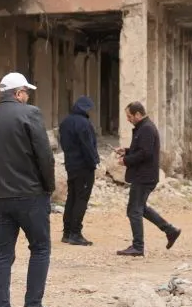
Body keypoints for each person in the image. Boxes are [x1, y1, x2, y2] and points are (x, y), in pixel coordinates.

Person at [0, 73, 55, 307]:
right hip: (29, 194)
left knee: (2, 253)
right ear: (19, 93)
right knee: (40, 247)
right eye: (26, 93)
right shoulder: (29, 113)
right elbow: (44, 155)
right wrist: (49, 187)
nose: (27, 97)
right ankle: (33, 306)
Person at [115, 101, 181, 257]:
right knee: (141, 208)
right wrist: (126, 151)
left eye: (130, 116)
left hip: (144, 177)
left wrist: (126, 161)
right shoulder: (143, 128)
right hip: (144, 175)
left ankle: (138, 246)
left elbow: (145, 154)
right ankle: (170, 230)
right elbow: (142, 149)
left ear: (138, 114)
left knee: (134, 211)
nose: (128, 119)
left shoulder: (146, 129)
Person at [57, 95, 100, 246]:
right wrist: (94, 161)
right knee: (81, 199)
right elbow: (87, 146)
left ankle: (67, 232)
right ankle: (75, 233)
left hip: (71, 164)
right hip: (84, 167)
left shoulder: (65, 122)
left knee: (72, 197)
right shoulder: (84, 123)